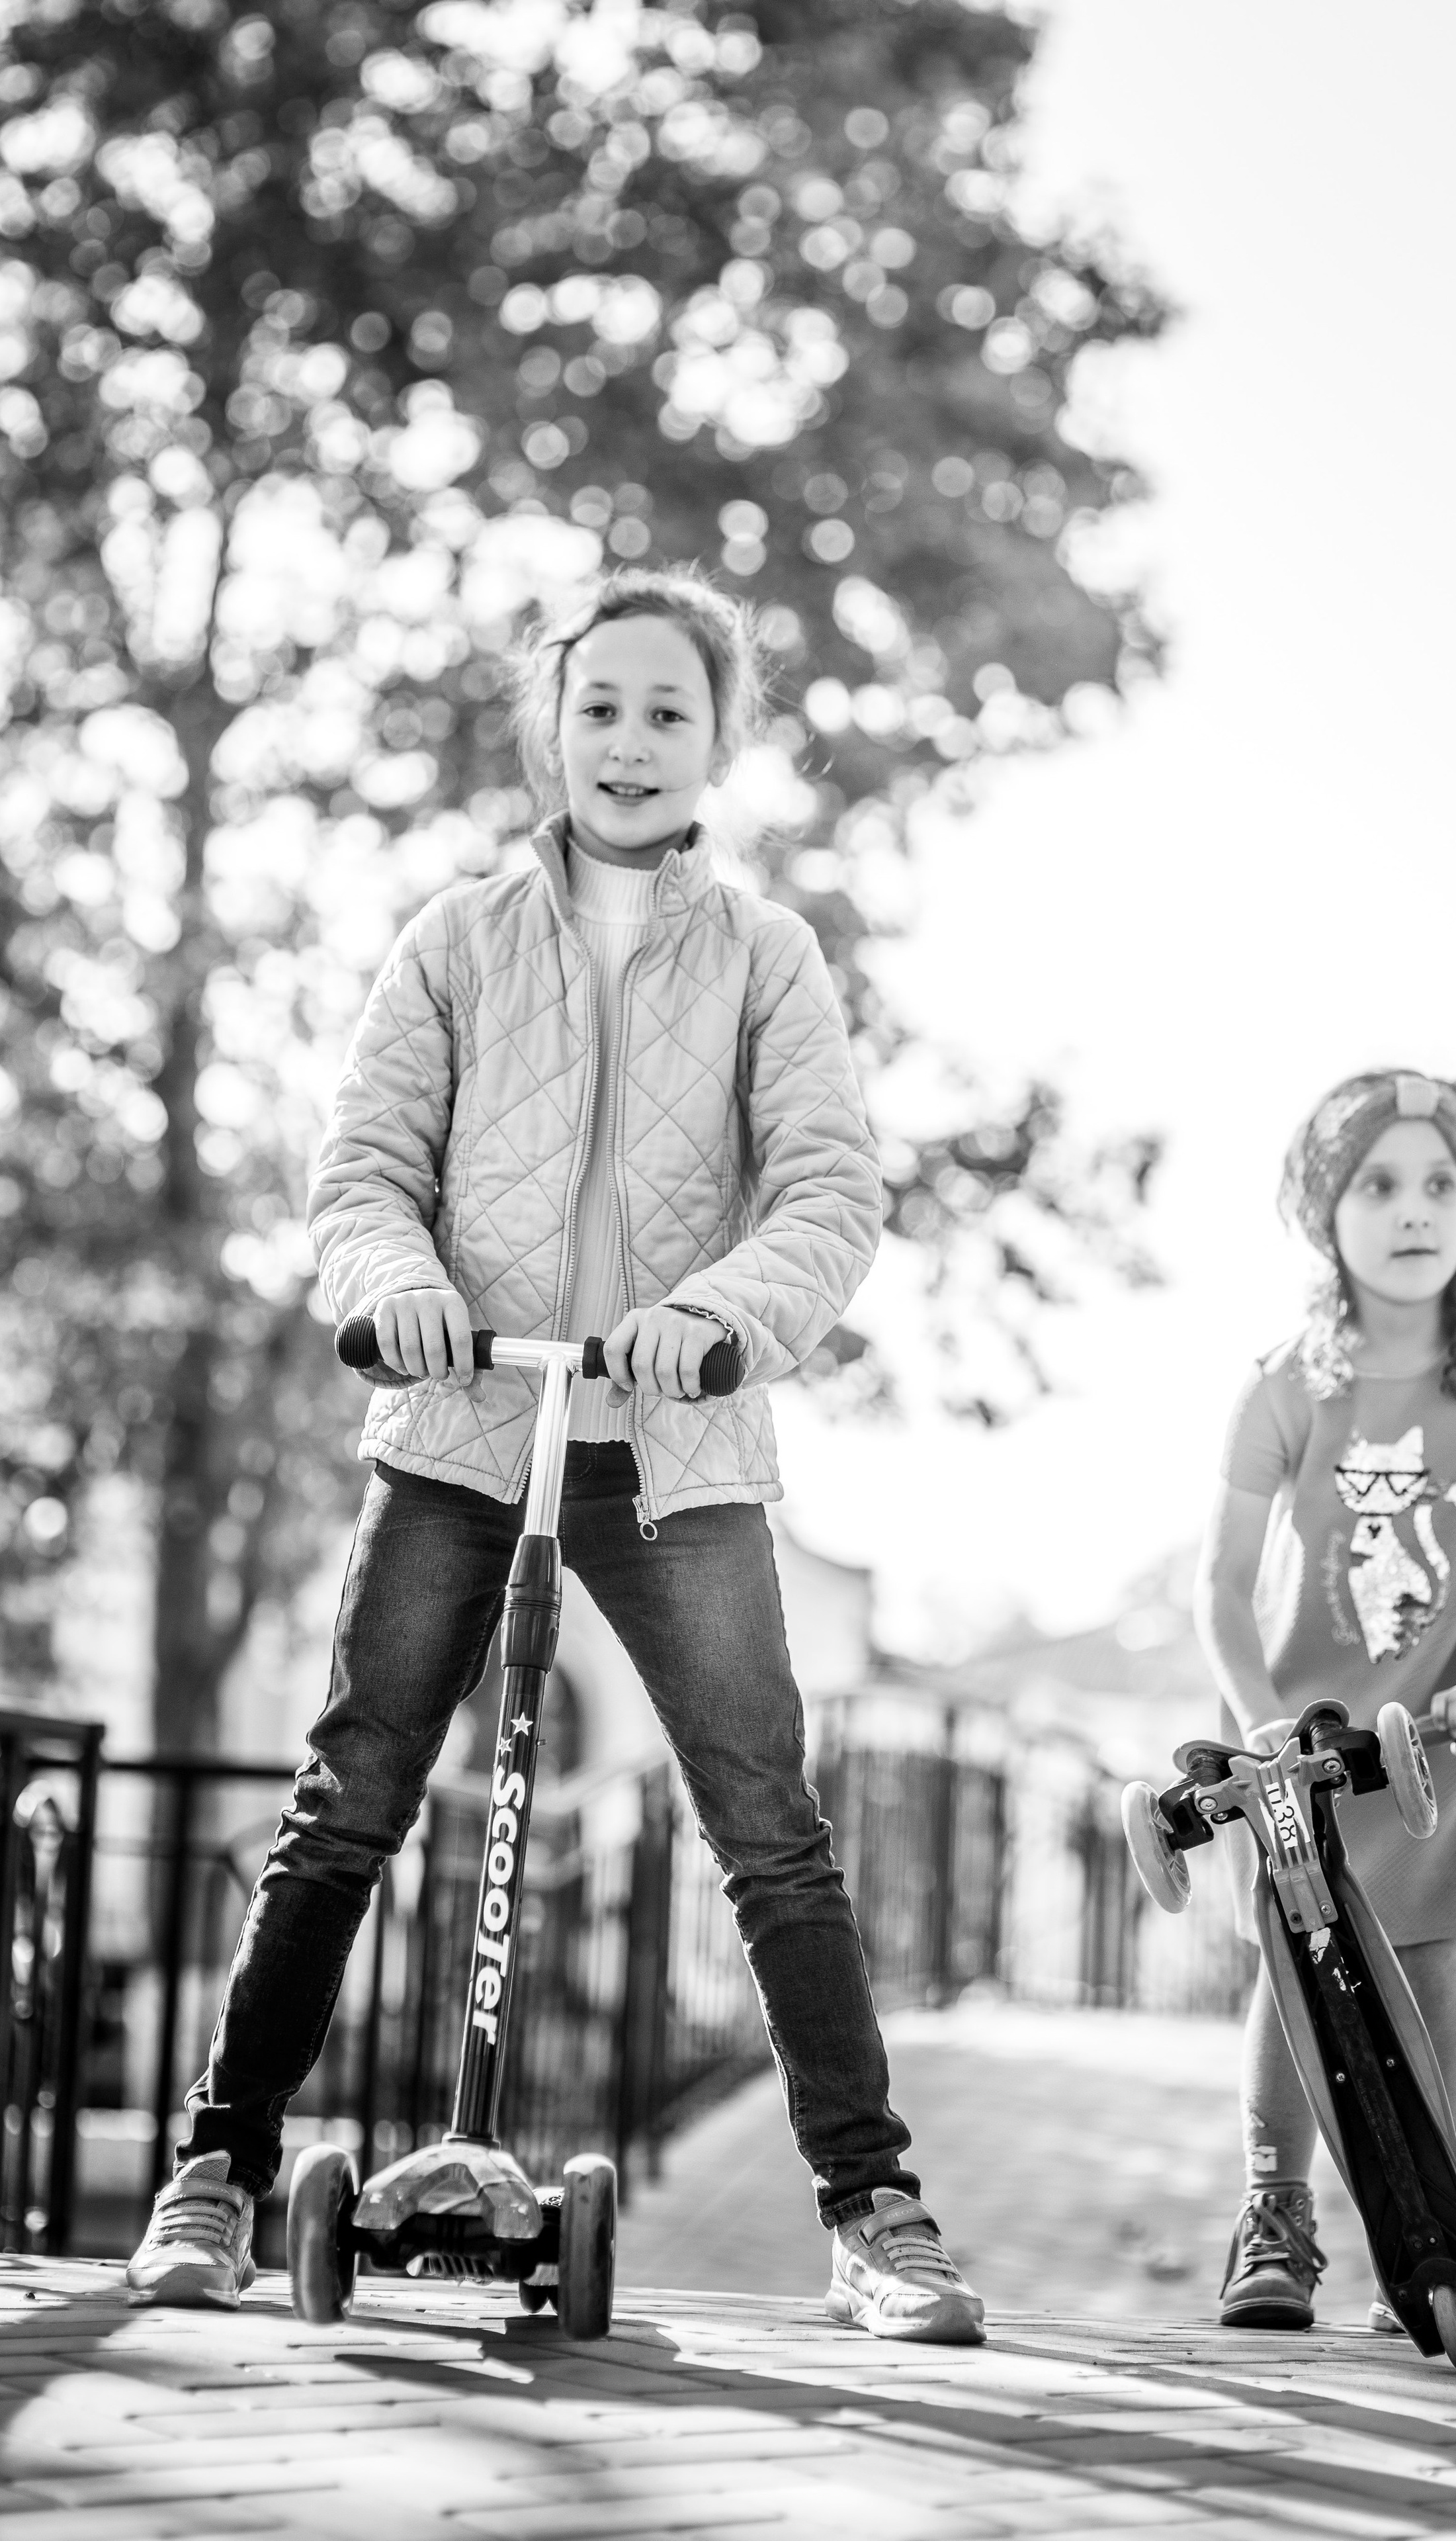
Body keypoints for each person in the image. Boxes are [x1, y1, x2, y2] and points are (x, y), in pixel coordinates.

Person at [126, 566, 984, 2345]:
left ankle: (873, 2206)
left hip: (668, 1442)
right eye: (602, 705)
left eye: (672, 710)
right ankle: (215, 2161)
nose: (632, 739)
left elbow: (832, 1186)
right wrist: (401, 1288)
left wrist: (725, 1312)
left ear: (719, 745)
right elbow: (362, 1170)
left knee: (770, 1822)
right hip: (464, 1423)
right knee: (349, 1796)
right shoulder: (452, 940)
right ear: (551, 723)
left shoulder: (767, 957)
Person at [1194, 1069, 1456, 2333]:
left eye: (1440, 1185)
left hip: (1446, 1750)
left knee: (1433, 1979)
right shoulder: (1286, 1384)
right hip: (1308, 1756)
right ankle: (1276, 2220)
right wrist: (1255, 1721)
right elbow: (1219, 1584)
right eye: (1379, 1185)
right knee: (1294, 1973)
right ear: (1327, 1210)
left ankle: (1434, 2228)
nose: (1414, 1210)